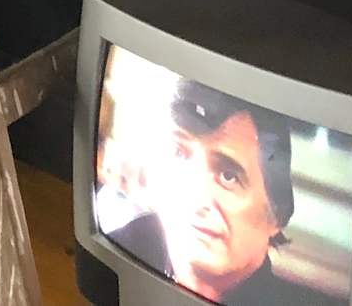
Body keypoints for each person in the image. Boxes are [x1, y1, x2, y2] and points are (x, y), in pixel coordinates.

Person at [103, 82, 307, 305]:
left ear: (276, 214)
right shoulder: (121, 244)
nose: (196, 197)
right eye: (179, 154)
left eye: (228, 176)